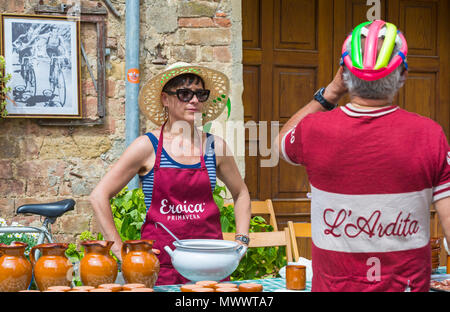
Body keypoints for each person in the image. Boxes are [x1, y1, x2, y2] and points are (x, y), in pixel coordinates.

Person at [277, 20, 450, 292]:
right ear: (403, 75)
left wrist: (331, 92)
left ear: (344, 75)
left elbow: (281, 142)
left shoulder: (313, 130)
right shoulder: (430, 135)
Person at [89, 62, 251, 285]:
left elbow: (241, 193)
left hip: (211, 268)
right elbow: (99, 196)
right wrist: (121, 252)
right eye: (185, 94)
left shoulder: (216, 147)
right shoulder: (147, 147)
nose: (194, 100)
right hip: (161, 268)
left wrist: (241, 241)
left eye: (200, 94)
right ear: (166, 99)